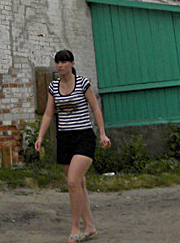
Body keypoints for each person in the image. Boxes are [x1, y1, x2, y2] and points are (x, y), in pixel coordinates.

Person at [34, 49, 111, 243]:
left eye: (64, 62)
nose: (60, 65)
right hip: (64, 139)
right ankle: (90, 227)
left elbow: (95, 108)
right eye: (57, 62)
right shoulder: (53, 87)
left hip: (84, 137)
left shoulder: (83, 83)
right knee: (79, 184)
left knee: (72, 181)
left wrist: (102, 133)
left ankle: (75, 227)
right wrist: (40, 136)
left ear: (72, 64)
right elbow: (48, 114)